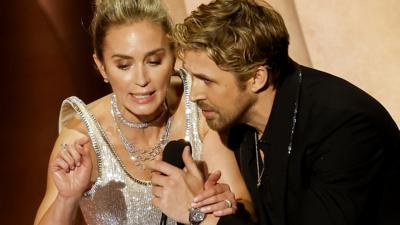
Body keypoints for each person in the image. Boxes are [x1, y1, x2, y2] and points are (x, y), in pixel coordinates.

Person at [146, 0, 400, 225]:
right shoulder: (239, 125)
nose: (195, 94)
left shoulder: (345, 127)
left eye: (207, 81)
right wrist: (226, 207)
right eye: (192, 78)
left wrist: (201, 215)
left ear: (257, 78)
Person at [33, 0, 253, 224]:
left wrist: (222, 204)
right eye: (124, 66)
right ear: (101, 67)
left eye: (154, 61)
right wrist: (67, 199)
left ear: (173, 55)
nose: (141, 80)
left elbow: (245, 209)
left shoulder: (197, 110)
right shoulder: (82, 138)